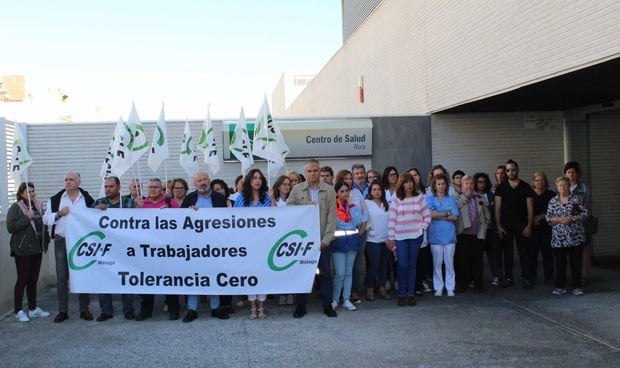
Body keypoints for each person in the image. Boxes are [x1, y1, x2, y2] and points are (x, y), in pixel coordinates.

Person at [287, 159, 337, 318]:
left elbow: (332, 218)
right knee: (302, 274)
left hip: (322, 240)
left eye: (315, 170)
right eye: (309, 171)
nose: (313, 174)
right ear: (305, 172)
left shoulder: (329, 191)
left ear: (319, 171)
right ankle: (300, 306)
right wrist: (304, 208)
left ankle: (327, 305)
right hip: (303, 241)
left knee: (325, 274)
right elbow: (288, 212)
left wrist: (326, 240)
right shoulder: (296, 189)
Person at [43, 171, 95, 323]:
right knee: (61, 277)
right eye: (66, 179)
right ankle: (62, 311)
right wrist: (59, 214)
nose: (68, 182)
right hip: (62, 240)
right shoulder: (56, 199)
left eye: (71, 180)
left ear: (79, 182)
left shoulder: (86, 198)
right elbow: (46, 219)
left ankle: (84, 309)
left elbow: (94, 214)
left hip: (81, 242)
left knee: (82, 274)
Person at [179, 172, 230, 322]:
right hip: (194, 246)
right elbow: (179, 220)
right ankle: (192, 309)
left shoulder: (220, 198)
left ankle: (215, 308)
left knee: (214, 275)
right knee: (194, 276)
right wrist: (190, 213)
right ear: (194, 184)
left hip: (215, 244)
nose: (202, 182)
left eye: (204, 179)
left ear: (209, 181)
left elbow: (226, 220)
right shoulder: (189, 199)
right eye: (198, 180)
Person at [133, 178, 180, 321]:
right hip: (148, 249)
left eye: (156, 187)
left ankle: (173, 309)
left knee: (169, 279)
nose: (152, 189)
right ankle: (146, 310)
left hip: (167, 248)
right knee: (147, 280)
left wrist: (169, 213)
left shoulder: (170, 203)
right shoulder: (141, 203)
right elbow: (132, 225)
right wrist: (138, 210)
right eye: (150, 187)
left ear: (162, 189)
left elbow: (181, 221)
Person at [92, 176, 136, 321]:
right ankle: (106, 311)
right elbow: (86, 220)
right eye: (106, 187)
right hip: (105, 249)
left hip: (124, 247)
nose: (108, 189)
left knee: (126, 277)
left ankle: (128, 309)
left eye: (111, 186)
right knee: (104, 277)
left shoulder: (128, 202)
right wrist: (95, 212)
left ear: (118, 187)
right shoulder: (99, 203)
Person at [7, 182, 51, 322]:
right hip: (23, 250)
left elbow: (42, 224)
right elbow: (11, 227)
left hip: (36, 249)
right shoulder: (16, 208)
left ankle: (32, 308)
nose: (31, 194)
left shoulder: (37, 205)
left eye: (33, 191)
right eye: (28, 192)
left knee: (33, 280)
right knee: (22, 280)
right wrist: (27, 217)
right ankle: (18, 310)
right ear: (21, 193)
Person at [388, 173, 431, 306]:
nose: (409, 184)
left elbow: (427, 216)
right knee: (402, 265)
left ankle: (410, 293)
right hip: (400, 237)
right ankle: (401, 294)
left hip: (415, 237)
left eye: (411, 181)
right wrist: (391, 238)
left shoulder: (420, 198)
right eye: (406, 182)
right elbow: (392, 219)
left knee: (412, 265)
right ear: (402, 184)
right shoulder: (396, 200)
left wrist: (422, 228)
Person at [234, 169, 272, 319]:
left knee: (262, 274)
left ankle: (262, 306)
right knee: (250, 274)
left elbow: (277, 217)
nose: (257, 181)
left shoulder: (266, 198)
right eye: (254, 178)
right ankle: (252, 306)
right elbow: (233, 219)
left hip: (264, 244)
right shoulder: (241, 199)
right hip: (247, 244)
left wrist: (273, 198)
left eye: (260, 178)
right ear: (249, 181)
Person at [494, 159, 535, 289]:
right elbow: (497, 208)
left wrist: (529, 225)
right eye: (508, 170)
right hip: (505, 224)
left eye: (513, 169)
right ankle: (509, 278)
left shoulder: (526, 186)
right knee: (508, 253)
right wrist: (498, 225)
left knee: (524, 252)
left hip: (521, 223)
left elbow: (530, 208)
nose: (510, 172)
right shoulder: (501, 187)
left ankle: (526, 278)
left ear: (518, 170)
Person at [546, 176, 588, 296]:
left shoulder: (576, 199)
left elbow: (585, 213)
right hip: (559, 239)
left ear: (569, 186)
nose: (563, 188)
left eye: (565, 185)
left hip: (575, 237)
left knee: (576, 263)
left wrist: (572, 218)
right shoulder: (553, 201)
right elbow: (548, 218)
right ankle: (560, 287)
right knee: (560, 263)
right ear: (557, 187)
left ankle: (577, 287)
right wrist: (560, 219)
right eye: (560, 185)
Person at [454, 175, 490, 294]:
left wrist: (484, 226)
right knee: (463, 260)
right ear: (462, 185)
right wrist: (466, 197)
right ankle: (463, 283)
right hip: (463, 234)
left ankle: (478, 284)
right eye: (466, 184)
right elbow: (455, 208)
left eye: (470, 183)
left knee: (477, 260)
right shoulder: (457, 198)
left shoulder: (480, 198)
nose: (469, 186)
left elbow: (487, 215)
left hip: (477, 234)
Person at [330, 181, 362, 311]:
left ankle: (346, 299)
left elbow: (357, 221)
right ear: (337, 193)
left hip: (352, 241)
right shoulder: (333, 206)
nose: (345, 194)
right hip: (338, 242)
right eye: (341, 191)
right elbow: (337, 223)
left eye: (346, 191)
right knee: (340, 273)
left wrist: (352, 207)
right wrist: (349, 225)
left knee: (349, 272)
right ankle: (335, 299)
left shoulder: (352, 205)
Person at [426, 174, 459, 297]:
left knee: (449, 263)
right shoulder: (430, 199)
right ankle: (438, 287)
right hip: (435, 236)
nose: (441, 186)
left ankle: (450, 287)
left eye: (443, 184)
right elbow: (430, 214)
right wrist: (446, 214)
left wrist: (438, 215)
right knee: (437, 263)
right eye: (438, 184)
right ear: (434, 185)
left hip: (449, 236)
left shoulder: (451, 199)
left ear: (446, 185)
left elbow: (455, 216)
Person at [563, 161, 593, 285]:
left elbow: (587, 207)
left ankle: (584, 275)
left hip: (581, 222)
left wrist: (577, 216)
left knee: (585, 248)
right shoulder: (562, 186)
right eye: (568, 172)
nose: (571, 175)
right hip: (566, 223)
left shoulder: (583, 188)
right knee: (569, 250)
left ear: (578, 174)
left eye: (573, 172)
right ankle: (572, 275)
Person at [364, 181, 392, 300]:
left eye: (379, 189)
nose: (377, 192)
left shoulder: (387, 204)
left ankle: (382, 288)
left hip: (385, 239)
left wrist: (391, 238)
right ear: (370, 191)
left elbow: (391, 221)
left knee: (384, 265)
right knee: (374, 265)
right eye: (374, 189)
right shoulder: (366, 203)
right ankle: (369, 289)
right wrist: (368, 229)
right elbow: (363, 219)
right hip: (372, 240)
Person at [474, 172, 501, 286]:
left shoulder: (491, 195)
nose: (482, 185)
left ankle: (497, 276)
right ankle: (477, 279)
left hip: (490, 229)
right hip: (477, 230)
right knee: (477, 256)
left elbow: (495, 212)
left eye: (484, 182)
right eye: (479, 182)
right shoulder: (472, 196)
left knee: (492, 254)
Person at [408, 167, 432, 294]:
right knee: (413, 260)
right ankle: (415, 286)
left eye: (416, 175)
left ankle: (422, 281)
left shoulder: (427, 191)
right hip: (409, 231)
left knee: (423, 258)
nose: (414, 178)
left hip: (423, 228)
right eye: (411, 176)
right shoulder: (404, 193)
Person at [530, 172, 555, 284]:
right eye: (537, 180)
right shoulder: (529, 194)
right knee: (532, 254)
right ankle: (532, 277)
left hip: (546, 228)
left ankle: (549, 277)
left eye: (542, 180)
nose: (540, 182)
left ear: (546, 182)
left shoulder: (551, 194)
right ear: (533, 182)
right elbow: (523, 209)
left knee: (547, 254)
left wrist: (539, 217)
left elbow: (552, 210)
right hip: (532, 228)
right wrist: (532, 220)